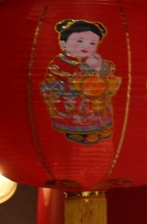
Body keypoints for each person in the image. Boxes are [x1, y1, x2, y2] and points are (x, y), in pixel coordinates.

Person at [40, 17, 121, 145]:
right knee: (81, 112)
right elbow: (67, 76)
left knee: (99, 109)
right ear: (63, 44)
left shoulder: (92, 59)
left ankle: (98, 129)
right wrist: (88, 67)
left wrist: (99, 66)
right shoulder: (60, 62)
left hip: (93, 94)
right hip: (70, 97)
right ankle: (80, 132)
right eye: (79, 41)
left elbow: (109, 70)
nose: (85, 46)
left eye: (92, 43)